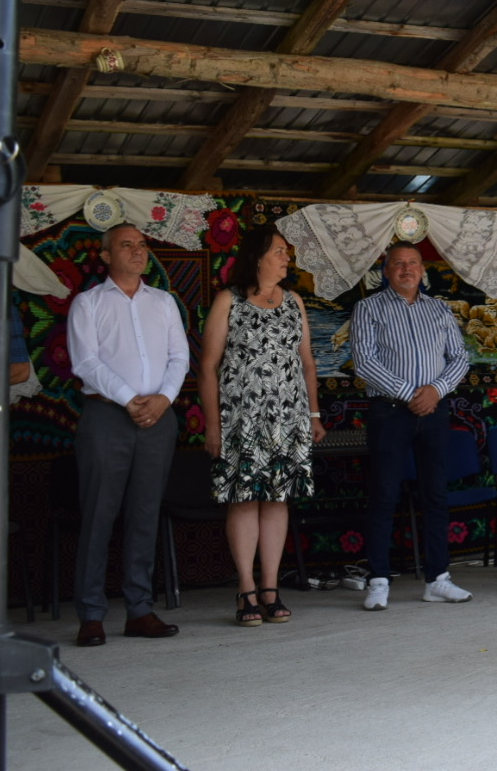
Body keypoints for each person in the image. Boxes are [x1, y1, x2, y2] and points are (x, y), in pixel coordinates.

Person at [67, 223, 189, 647]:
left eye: (142, 244)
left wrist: (164, 398)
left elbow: (179, 356)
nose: (138, 251)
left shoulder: (163, 302)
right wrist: (130, 400)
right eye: (127, 245)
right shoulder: (88, 303)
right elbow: (86, 362)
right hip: (107, 416)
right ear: (105, 256)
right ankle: (91, 613)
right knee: (99, 514)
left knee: (145, 513)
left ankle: (139, 609)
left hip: (158, 417)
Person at [200, 225, 325, 627]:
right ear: (257, 257)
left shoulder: (293, 301)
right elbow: (208, 366)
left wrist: (314, 415)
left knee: (277, 499)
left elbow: (307, 363)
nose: (287, 258)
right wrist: (213, 425)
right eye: (279, 251)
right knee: (243, 499)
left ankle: (270, 589)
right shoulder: (230, 300)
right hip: (241, 419)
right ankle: (246, 590)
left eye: (287, 252)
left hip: (288, 419)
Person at [350, 243, 473, 610]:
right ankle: (378, 580)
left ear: (423, 270)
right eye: (399, 264)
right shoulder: (368, 308)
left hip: (434, 411)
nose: (407, 269)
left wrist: (435, 390)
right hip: (390, 412)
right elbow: (364, 361)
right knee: (384, 495)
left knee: (436, 495)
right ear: (386, 271)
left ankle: (437, 579)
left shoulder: (439, 309)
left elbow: (460, 357)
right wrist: (410, 394)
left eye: (414, 263)